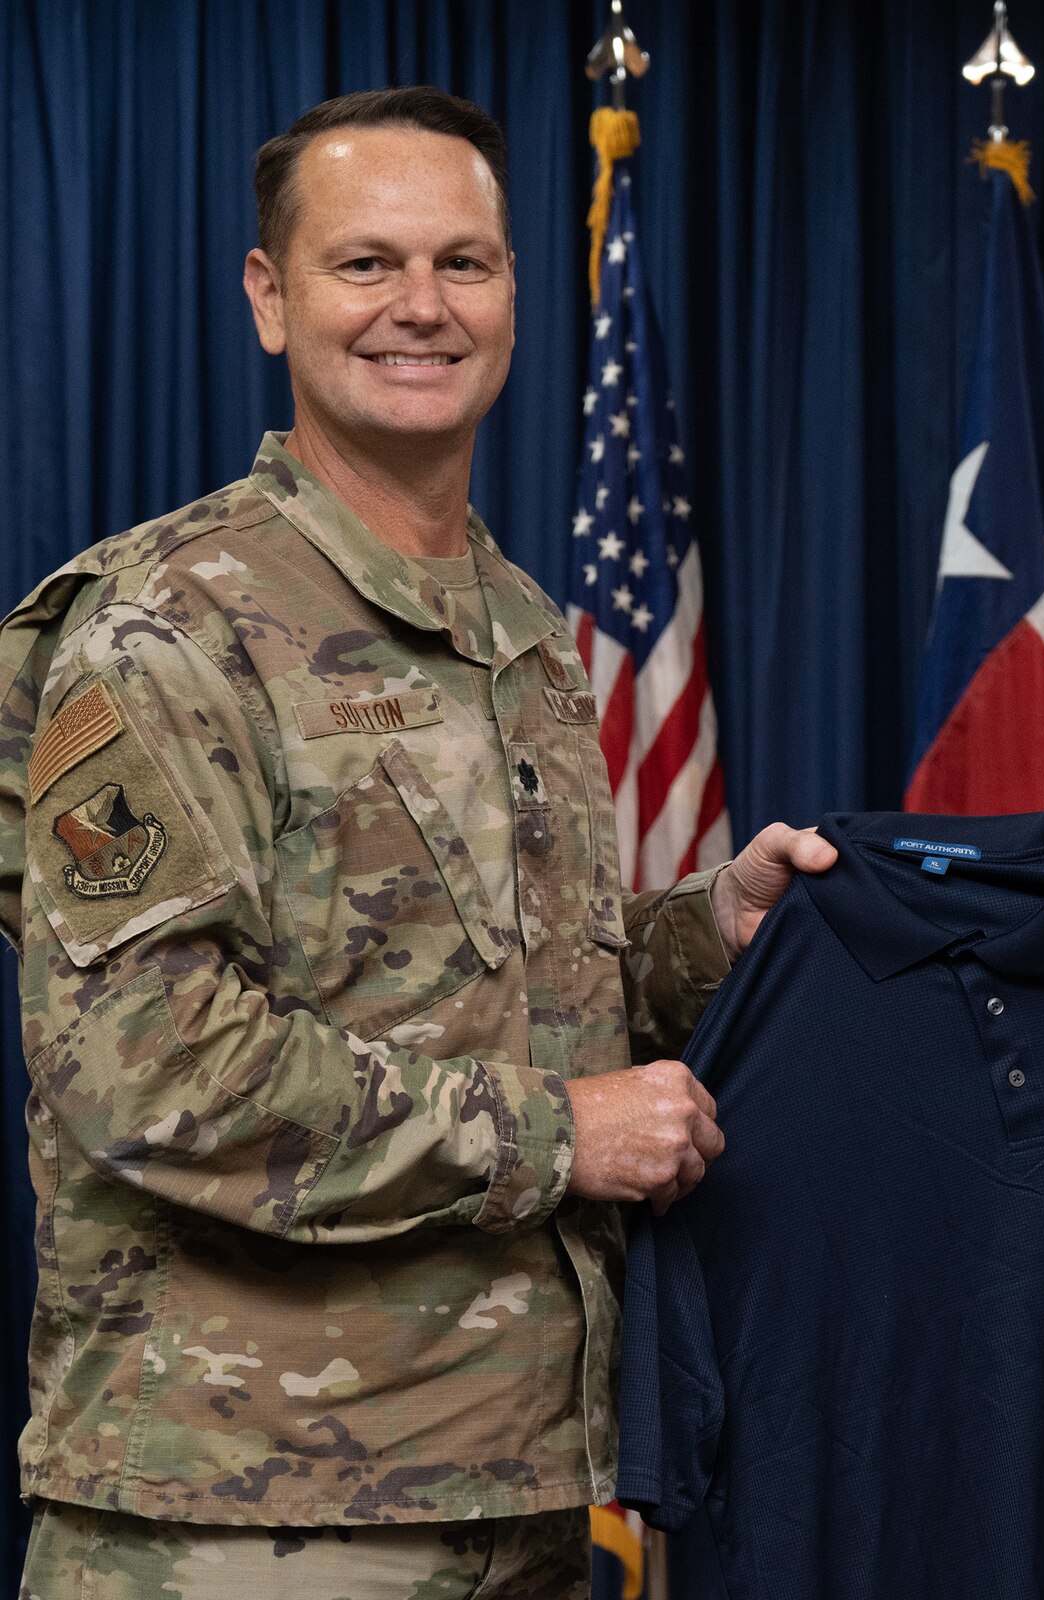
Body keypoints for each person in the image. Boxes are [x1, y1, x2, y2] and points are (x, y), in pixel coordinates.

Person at [0, 87, 831, 1598]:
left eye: (465, 263)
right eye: (365, 265)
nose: (421, 309)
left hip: (517, 1491)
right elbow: (147, 1065)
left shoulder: (514, 623)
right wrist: (563, 1135)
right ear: (271, 300)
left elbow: (500, 987)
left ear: (517, 293)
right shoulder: (169, 628)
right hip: (245, 1516)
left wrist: (712, 930)